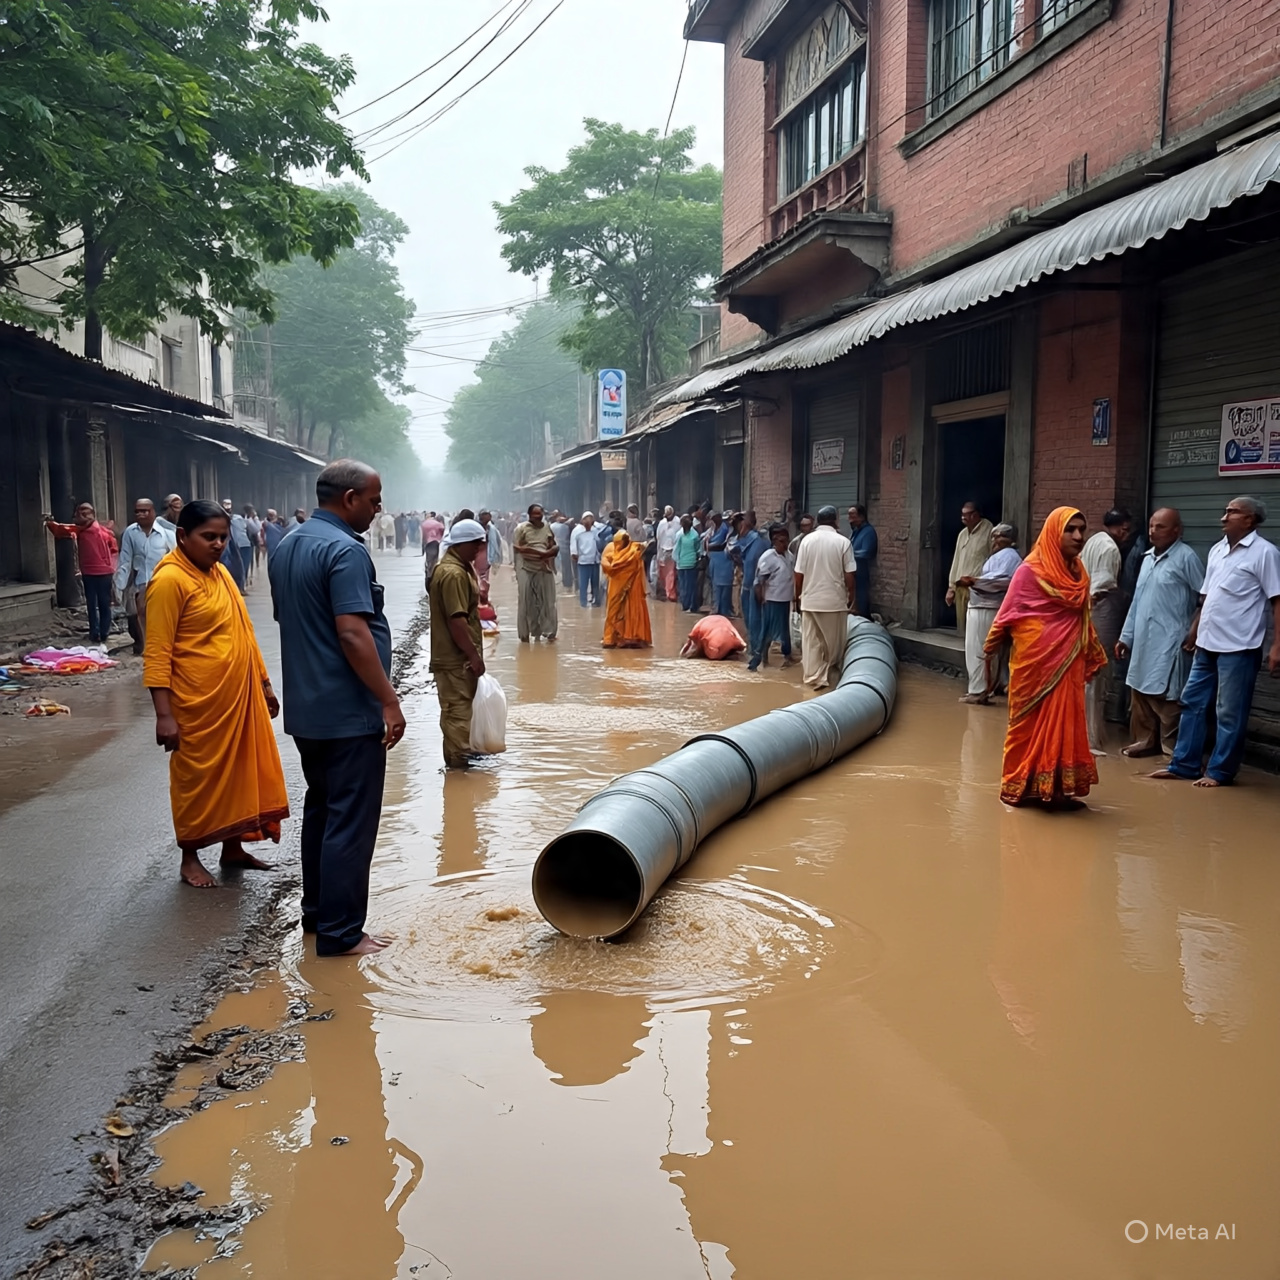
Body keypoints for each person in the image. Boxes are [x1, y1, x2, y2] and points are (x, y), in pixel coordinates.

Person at [269, 460, 403, 957]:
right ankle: (342, 933)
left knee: (323, 811)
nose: (378, 508)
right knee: (351, 820)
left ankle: (318, 916)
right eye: (373, 499)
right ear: (348, 499)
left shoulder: (287, 546)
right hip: (349, 712)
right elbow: (351, 631)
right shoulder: (344, 550)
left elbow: (294, 620)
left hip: (309, 710)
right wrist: (388, 699)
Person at [145, 500, 289, 888]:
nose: (218, 544)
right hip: (196, 705)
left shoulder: (222, 574)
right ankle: (190, 857)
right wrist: (164, 714)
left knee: (239, 775)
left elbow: (243, 632)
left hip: (236, 697)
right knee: (197, 780)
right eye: (208, 537)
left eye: (223, 537)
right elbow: (157, 650)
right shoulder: (170, 581)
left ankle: (233, 848)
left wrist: (263, 683)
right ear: (182, 536)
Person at [983, 507, 1107, 809]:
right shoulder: (1030, 570)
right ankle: (1019, 788)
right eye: (1071, 530)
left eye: (1082, 529)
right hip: (1034, 664)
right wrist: (991, 645)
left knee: (1066, 722)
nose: (1078, 536)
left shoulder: (1080, 573)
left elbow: (1081, 618)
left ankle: (1057, 790)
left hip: (1068, 662)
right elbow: (1009, 612)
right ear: (1054, 532)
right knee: (1026, 726)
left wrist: (1091, 648)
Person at [1151, 496, 1280, 787]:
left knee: (1229, 711)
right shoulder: (1217, 550)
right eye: (1225, 511)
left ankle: (1220, 772)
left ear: (1250, 520)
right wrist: (1194, 630)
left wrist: (1276, 645)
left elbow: (1277, 600)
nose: (1224, 517)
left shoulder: (1265, 553)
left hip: (1240, 647)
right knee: (1192, 703)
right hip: (1207, 643)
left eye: (1232, 513)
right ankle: (1184, 764)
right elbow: (1206, 598)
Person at [1114, 508, 1203, 758]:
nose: (1153, 532)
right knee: (1139, 689)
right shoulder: (1147, 558)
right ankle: (1145, 740)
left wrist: (1195, 630)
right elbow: (1137, 601)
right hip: (1143, 638)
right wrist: (1125, 636)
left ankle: (1171, 750)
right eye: (1151, 526)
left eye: (1160, 527)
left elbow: (1205, 598)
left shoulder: (1187, 558)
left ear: (1177, 530)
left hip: (1171, 639)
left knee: (1168, 694)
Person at [428, 519, 487, 769]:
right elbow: (457, 621)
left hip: (456, 657)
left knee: (458, 713)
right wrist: (473, 656)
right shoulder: (452, 574)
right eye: (474, 545)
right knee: (457, 714)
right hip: (454, 659)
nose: (478, 550)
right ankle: (458, 770)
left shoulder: (458, 568)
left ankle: (459, 761)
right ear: (461, 545)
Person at [1081, 507, 1132, 754]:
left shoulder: (1094, 540)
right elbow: (1101, 586)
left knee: (1089, 675)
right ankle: (1090, 739)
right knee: (1095, 675)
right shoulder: (1110, 548)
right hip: (1100, 614)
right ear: (1120, 526)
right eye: (1126, 528)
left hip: (1089, 613)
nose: (1127, 533)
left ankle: (1087, 734)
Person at [794, 506, 856, 690]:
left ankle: (812, 682)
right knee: (833, 648)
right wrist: (851, 597)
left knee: (811, 645)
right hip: (834, 603)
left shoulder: (806, 541)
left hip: (810, 601)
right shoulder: (843, 542)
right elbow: (850, 575)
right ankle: (831, 686)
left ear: (818, 520)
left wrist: (797, 597)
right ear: (836, 520)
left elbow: (798, 574)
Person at [960, 523, 1021, 704]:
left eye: (1000, 536)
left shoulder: (1010, 557)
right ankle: (988, 688)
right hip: (984, 606)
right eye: (994, 536)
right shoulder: (999, 556)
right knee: (981, 649)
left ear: (1011, 540)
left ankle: (979, 691)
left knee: (980, 650)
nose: (995, 540)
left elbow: (1002, 581)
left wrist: (974, 582)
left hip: (988, 608)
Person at [45, 502, 118, 645]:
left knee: (103, 603)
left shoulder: (105, 532)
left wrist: (113, 568)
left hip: (104, 573)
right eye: (80, 514)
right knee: (92, 603)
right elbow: (59, 530)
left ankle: (103, 632)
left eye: (86, 513)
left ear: (93, 514)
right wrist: (49, 522)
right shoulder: (78, 531)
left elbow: (114, 551)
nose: (82, 516)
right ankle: (95, 632)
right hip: (89, 572)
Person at [114, 498, 175, 655]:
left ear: (153, 512)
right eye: (137, 511)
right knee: (141, 613)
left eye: (144, 511)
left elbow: (178, 559)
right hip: (141, 582)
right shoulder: (130, 533)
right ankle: (149, 647)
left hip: (163, 582)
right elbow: (125, 560)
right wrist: (118, 586)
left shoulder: (166, 534)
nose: (140, 514)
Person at [749, 524, 796, 672]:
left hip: (785, 598)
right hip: (772, 599)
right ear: (775, 542)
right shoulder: (768, 557)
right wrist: (761, 598)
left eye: (786, 541)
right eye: (781, 541)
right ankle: (758, 659)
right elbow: (759, 581)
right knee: (767, 630)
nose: (785, 544)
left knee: (785, 629)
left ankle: (787, 656)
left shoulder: (789, 556)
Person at [513, 503, 559, 642]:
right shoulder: (521, 529)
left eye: (540, 514)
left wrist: (548, 554)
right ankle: (525, 634)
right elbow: (517, 548)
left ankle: (550, 632)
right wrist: (536, 553)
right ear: (529, 516)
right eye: (535, 515)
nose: (538, 517)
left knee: (548, 600)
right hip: (525, 567)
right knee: (526, 601)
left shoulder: (547, 528)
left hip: (543, 567)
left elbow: (552, 545)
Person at [946, 502, 994, 635]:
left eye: (966, 514)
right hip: (961, 587)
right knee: (962, 627)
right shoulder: (962, 534)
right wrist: (951, 587)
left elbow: (993, 559)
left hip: (977, 587)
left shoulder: (989, 531)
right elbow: (956, 560)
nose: (962, 517)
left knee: (976, 628)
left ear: (975, 515)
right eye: (962, 514)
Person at [600, 530, 652, 649]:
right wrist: (611, 566)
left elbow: (642, 549)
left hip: (633, 587)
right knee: (614, 610)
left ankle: (630, 637)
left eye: (622, 542)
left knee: (632, 610)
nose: (619, 545)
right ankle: (612, 638)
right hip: (616, 587)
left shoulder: (634, 551)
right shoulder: (610, 548)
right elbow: (606, 563)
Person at [732, 510, 768, 655]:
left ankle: (759, 652)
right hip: (746, 585)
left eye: (743, 519)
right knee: (748, 619)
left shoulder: (758, 540)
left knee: (756, 620)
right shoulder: (742, 539)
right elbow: (730, 552)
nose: (740, 522)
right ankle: (754, 649)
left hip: (757, 586)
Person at [848, 505, 878, 618]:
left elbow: (867, 552)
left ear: (861, 516)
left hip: (861, 570)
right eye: (849, 515)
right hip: (853, 571)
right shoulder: (856, 532)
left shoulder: (868, 532)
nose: (850, 519)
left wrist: (850, 555)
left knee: (861, 597)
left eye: (853, 515)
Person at [706, 512, 735, 616]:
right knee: (715, 586)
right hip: (715, 560)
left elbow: (721, 544)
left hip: (724, 561)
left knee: (725, 586)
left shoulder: (726, 529)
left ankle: (724, 610)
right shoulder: (713, 529)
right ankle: (716, 609)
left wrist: (710, 546)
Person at [571, 511, 602, 607]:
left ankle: (596, 601)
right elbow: (573, 546)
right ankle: (583, 603)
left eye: (591, 519)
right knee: (583, 584)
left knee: (596, 583)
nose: (589, 522)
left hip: (595, 561)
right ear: (582, 521)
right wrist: (574, 554)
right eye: (587, 520)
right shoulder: (577, 531)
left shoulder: (596, 529)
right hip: (583, 561)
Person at [674, 514, 702, 613]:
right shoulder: (681, 535)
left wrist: (698, 558)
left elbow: (698, 548)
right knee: (685, 586)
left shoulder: (693, 535)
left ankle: (691, 606)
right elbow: (677, 549)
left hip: (690, 563)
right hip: (683, 563)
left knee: (689, 586)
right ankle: (686, 605)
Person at [655, 506, 679, 601]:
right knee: (664, 572)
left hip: (674, 549)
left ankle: (671, 593)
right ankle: (666, 591)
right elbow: (659, 538)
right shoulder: (662, 523)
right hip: (663, 550)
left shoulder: (678, 521)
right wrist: (659, 553)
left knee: (672, 573)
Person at [421, 510, 445, 584]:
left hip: (428, 543)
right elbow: (442, 529)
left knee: (429, 559)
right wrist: (439, 537)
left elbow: (423, 536)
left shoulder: (424, 524)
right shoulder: (438, 524)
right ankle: (433, 573)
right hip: (436, 542)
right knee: (435, 559)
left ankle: (429, 574)